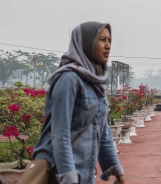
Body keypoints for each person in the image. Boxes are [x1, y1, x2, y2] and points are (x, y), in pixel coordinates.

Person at [33, 22, 125, 184]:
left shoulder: (97, 83)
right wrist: (69, 177)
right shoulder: (68, 79)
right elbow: (60, 134)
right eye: (102, 40)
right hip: (61, 174)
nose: (108, 45)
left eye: (109, 40)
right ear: (87, 43)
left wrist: (116, 170)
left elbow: (102, 130)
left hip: (86, 174)